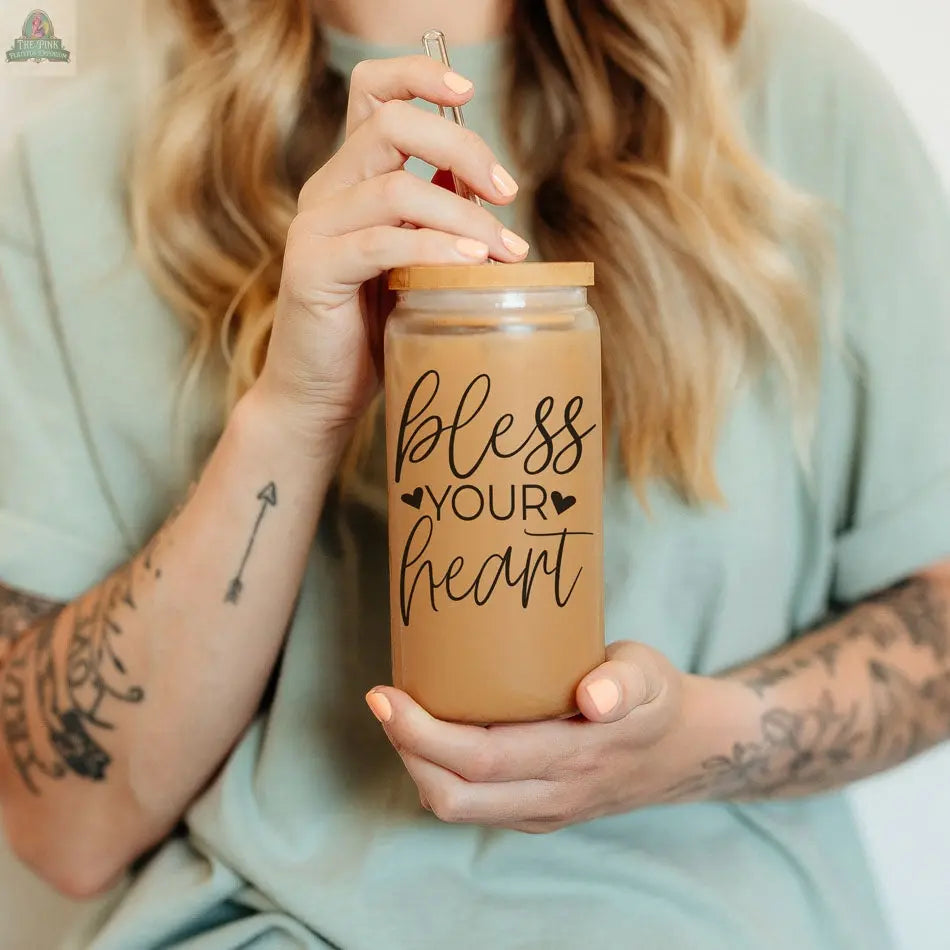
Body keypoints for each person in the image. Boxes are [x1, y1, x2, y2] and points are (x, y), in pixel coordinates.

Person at [1, 0, 948, 946]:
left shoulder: (782, 90)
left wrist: (692, 740)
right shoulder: (76, 171)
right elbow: (64, 831)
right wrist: (295, 411)